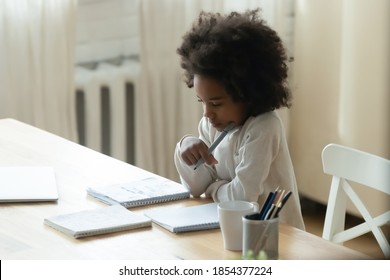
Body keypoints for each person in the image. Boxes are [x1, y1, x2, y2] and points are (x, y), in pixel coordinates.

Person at [174, 9, 305, 230]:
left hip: (276, 236)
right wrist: (185, 147)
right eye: (201, 101)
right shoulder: (211, 124)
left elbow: (242, 198)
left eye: (216, 103)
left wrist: (213, 188)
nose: (207, 113)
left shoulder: (264, 127)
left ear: (248, 93)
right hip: (234, 228)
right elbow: (196, 188)